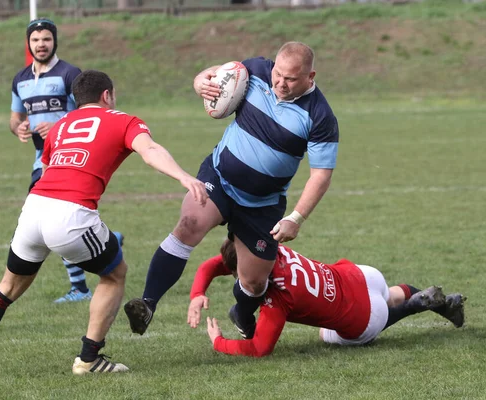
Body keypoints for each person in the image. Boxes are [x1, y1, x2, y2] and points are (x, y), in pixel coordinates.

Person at [0, 70, 208, 374]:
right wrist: (184, 176)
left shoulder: (59, 126)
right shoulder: (123, 119)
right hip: (71, 215)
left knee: (7, 288)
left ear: (75, 99)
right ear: (107, 95)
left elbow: (46, 169)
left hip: (33, 208)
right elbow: (149, 150)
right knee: (115, 274)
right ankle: (88, 359)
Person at [124, 41, 339, 339]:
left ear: (310, 77)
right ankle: (147, 304)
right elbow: (213, 73)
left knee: (253, 282)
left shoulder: (320, 116)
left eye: (291, 78)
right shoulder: (255, 69)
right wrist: (201, 83)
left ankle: (241, 311)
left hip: (262, 204)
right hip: (220, 177)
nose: (281, 82)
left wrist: (296, 217)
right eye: (278, 74)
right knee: (189, 224)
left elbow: (321, 175)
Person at [187, 239, 465, 357]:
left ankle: (416, 305)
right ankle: (437, 304)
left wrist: (219, 343)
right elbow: (212, 265)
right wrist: (197, 292)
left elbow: (260, 349)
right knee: (390, 294)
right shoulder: (268, 249)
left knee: (325, 334)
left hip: (364, 316)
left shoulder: (276, 298)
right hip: (363, 275)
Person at [10, 18, 124, 303]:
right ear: (29, 43)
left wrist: (59, 124)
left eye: (46, 39)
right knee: (54, 220)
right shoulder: (21, 79)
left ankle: (80, 288)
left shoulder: (69, 73)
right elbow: (15, 117)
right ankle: (109, 242)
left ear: (54, 41)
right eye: (35, 40)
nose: (41, 44)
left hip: (66, 157)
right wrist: (19, 127)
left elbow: (88, 112)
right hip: (42, 156)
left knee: (51, 218)